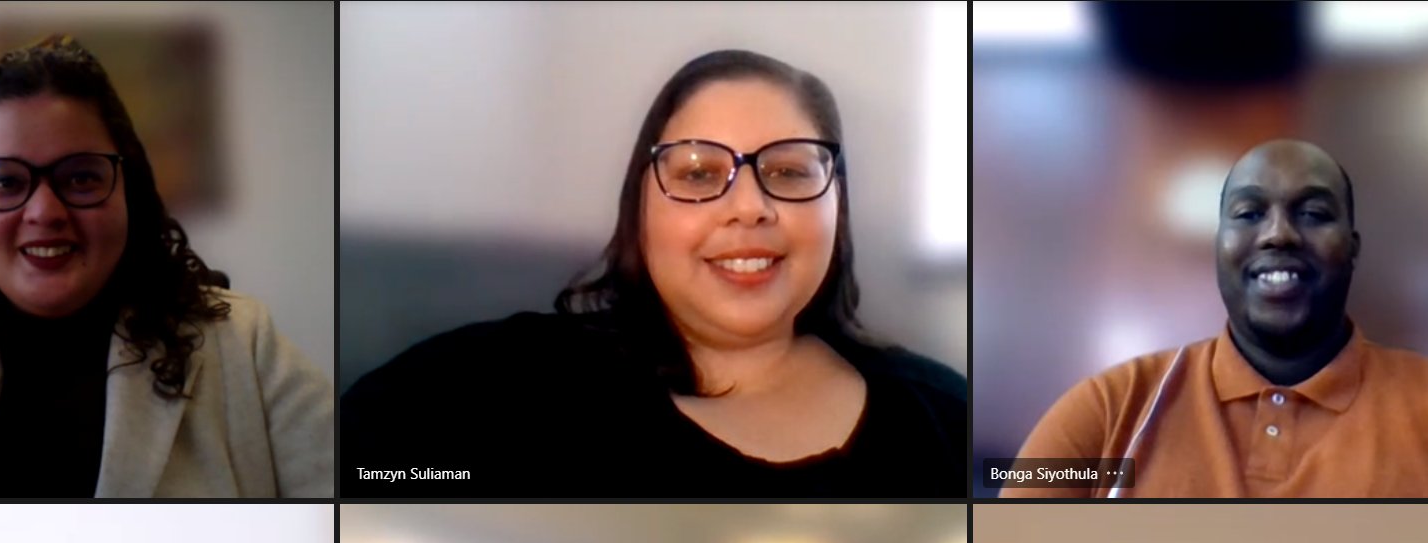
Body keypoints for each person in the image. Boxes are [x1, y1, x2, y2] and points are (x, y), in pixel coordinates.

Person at [341, 50, 968, 498]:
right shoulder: (484, 391)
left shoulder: (942, 415)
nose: (750, 206)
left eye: (789, 171)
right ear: (641, 206)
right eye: (698, 173)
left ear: (838, 206)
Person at [0, 37, 332, 498]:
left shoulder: (246, 344)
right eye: (5, 181)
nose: (44, 212)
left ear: (129, 195)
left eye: (81, 178)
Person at [1006, 139, 1428, 498]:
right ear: (1219, 244)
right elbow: (1007, 539)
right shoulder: (1110, 411)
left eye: (1313, 213)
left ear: (1353, 247)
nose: (1278, 234)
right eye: (1248, 214)